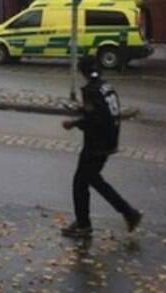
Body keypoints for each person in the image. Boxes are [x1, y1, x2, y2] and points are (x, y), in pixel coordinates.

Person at [61, 55, 142, 239]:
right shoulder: (106, 86)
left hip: (96, 144)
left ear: (83, 72)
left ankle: (86, 224)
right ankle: (126, 213)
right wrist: (82, 110)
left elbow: (95, 120)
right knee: (92, 180)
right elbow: (102, 111)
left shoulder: (91, 90)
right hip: (109, 141)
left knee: (80, 182)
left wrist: (73, 123)